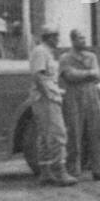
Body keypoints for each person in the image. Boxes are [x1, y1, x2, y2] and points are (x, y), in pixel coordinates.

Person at [59, 28, 100, 181]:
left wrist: (83, 74)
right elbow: (69, 75)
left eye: (84, 38)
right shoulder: (65, 58)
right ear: (73, 40)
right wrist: (88, 74)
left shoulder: (91, 56)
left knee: (97, 132)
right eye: (80, 38)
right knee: (74, 133)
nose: (84, 41)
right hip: (73, 96)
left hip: (91, 95)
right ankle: (73, 170)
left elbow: (97, 73)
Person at [28, 25, 76, 185]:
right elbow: (38, 76)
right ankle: (60, 172)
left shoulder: (45, 52)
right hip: (46, 98)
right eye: (55, 37)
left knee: (45, 135)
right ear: (49, 37)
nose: (58, 40)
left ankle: (46, 172)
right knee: (57, 134)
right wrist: (49, 94)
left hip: (47, 96)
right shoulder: (41, 51)